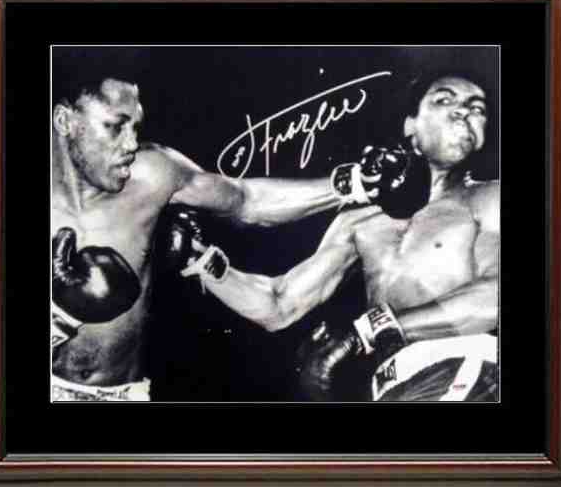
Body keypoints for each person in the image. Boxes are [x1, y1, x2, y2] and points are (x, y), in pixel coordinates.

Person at [50, 76, 402, 401]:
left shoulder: (151, 174)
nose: (130, 143)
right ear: (65, 121)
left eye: (135, 127)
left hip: (125, 392)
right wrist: (60, 317)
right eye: (115, 126)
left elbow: (247, 201)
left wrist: (358, 182)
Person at [192, 72, 499, 401]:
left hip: (470, 367)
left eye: (477, 108)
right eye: (444, 99)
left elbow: (493, 297)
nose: (463, 111)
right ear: (410, 124)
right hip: (395, 386)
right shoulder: (359, 219)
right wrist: (201, 262)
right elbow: (280, 304)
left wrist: (365, 331)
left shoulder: (489, 198)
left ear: (482, 136)